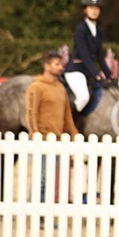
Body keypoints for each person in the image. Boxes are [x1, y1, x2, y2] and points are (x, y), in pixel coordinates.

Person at [24, 51, 78, 202]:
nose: (61, 67)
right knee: (42, 178)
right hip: (42, 138)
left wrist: (74, 134)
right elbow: (30, 112)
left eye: (61, 64)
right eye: (57, 64)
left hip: (57, 140)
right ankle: (36, 210)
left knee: (48, 179)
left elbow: (67, 116)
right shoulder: (36, 87)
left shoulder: (60, 88)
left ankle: (40, 210)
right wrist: (35, 133)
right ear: (46, 66)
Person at [63, 0, 114, 117]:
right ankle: (69, 123)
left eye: (97, 8)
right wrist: (96, 75)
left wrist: (110, 75)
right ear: (84, 10)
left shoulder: (99, 30)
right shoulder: (81, 29)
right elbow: (84, 54)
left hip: (88, 71)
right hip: (76, 70)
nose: (94, 11)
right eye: (91, 8)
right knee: (83, 97)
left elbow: (100, 56)